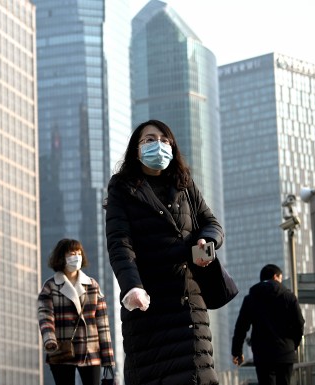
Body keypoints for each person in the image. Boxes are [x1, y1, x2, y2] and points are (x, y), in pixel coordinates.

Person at [105, 119, 224, 385]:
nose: (157, 145)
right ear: (136, 150)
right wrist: (132, 287)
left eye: (164, 140)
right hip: (147, 302)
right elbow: (119, 243)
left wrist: (206, 240)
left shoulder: (184, 183)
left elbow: (212, 224)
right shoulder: (122, 187)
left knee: (198, 375)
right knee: (155, 375)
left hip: (189, 299)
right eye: (148, 140)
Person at [37, 238, 115, 385]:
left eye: (79, 253)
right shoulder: (50, 286)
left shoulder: (92, 285)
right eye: (72, 253)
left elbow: (103, 325)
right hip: (61, 350)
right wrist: (49, 340)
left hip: (90, 350)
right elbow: (45, 316)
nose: (76, 257)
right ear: (61, 257)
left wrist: (108, 359)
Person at [231, 264, 305, 385]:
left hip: (262, 354)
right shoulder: (289, 297)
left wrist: (237, 352)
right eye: (281, 278)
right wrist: (293, 345)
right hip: (285, 353)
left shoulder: (251, 298)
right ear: (276, 277)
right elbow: (299, 323)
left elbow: (241, 327)